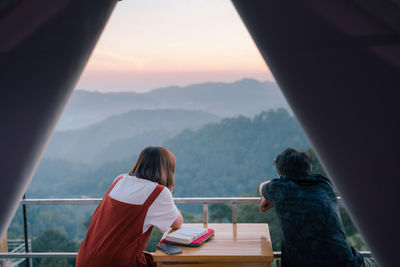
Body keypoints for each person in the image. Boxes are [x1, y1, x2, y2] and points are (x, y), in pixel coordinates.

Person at [259, 148, 377, 267]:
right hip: (345, 262)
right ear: (309, 168)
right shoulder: (324, 184)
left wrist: (268, 196)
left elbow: (263, 186)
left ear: (280, 174)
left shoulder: (279, 189)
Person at [76, 146, 183, 267]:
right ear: (168, 170)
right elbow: (177, 223)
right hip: (117, 262)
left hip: (85, 258)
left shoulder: (119, 180)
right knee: (171, 264)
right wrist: (168, 192)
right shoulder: (159, 192)